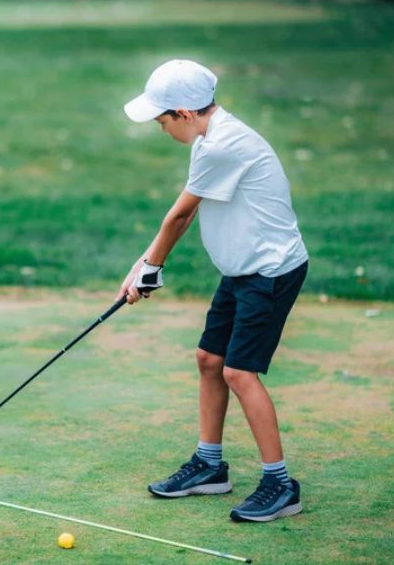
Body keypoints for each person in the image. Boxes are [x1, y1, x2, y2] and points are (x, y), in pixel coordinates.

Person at [118, 60, 308, 522]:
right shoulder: (209, 136)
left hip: (269, 271)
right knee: (210, 360)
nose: (161, 128)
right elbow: (183, 213)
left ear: (184, 113)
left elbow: (179, 216)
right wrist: (142, 266)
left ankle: (281, 484)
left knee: (240, 373)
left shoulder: (222, 146)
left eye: (162, 120)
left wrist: (152, 266)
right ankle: (209, 465)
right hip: (242, 271)